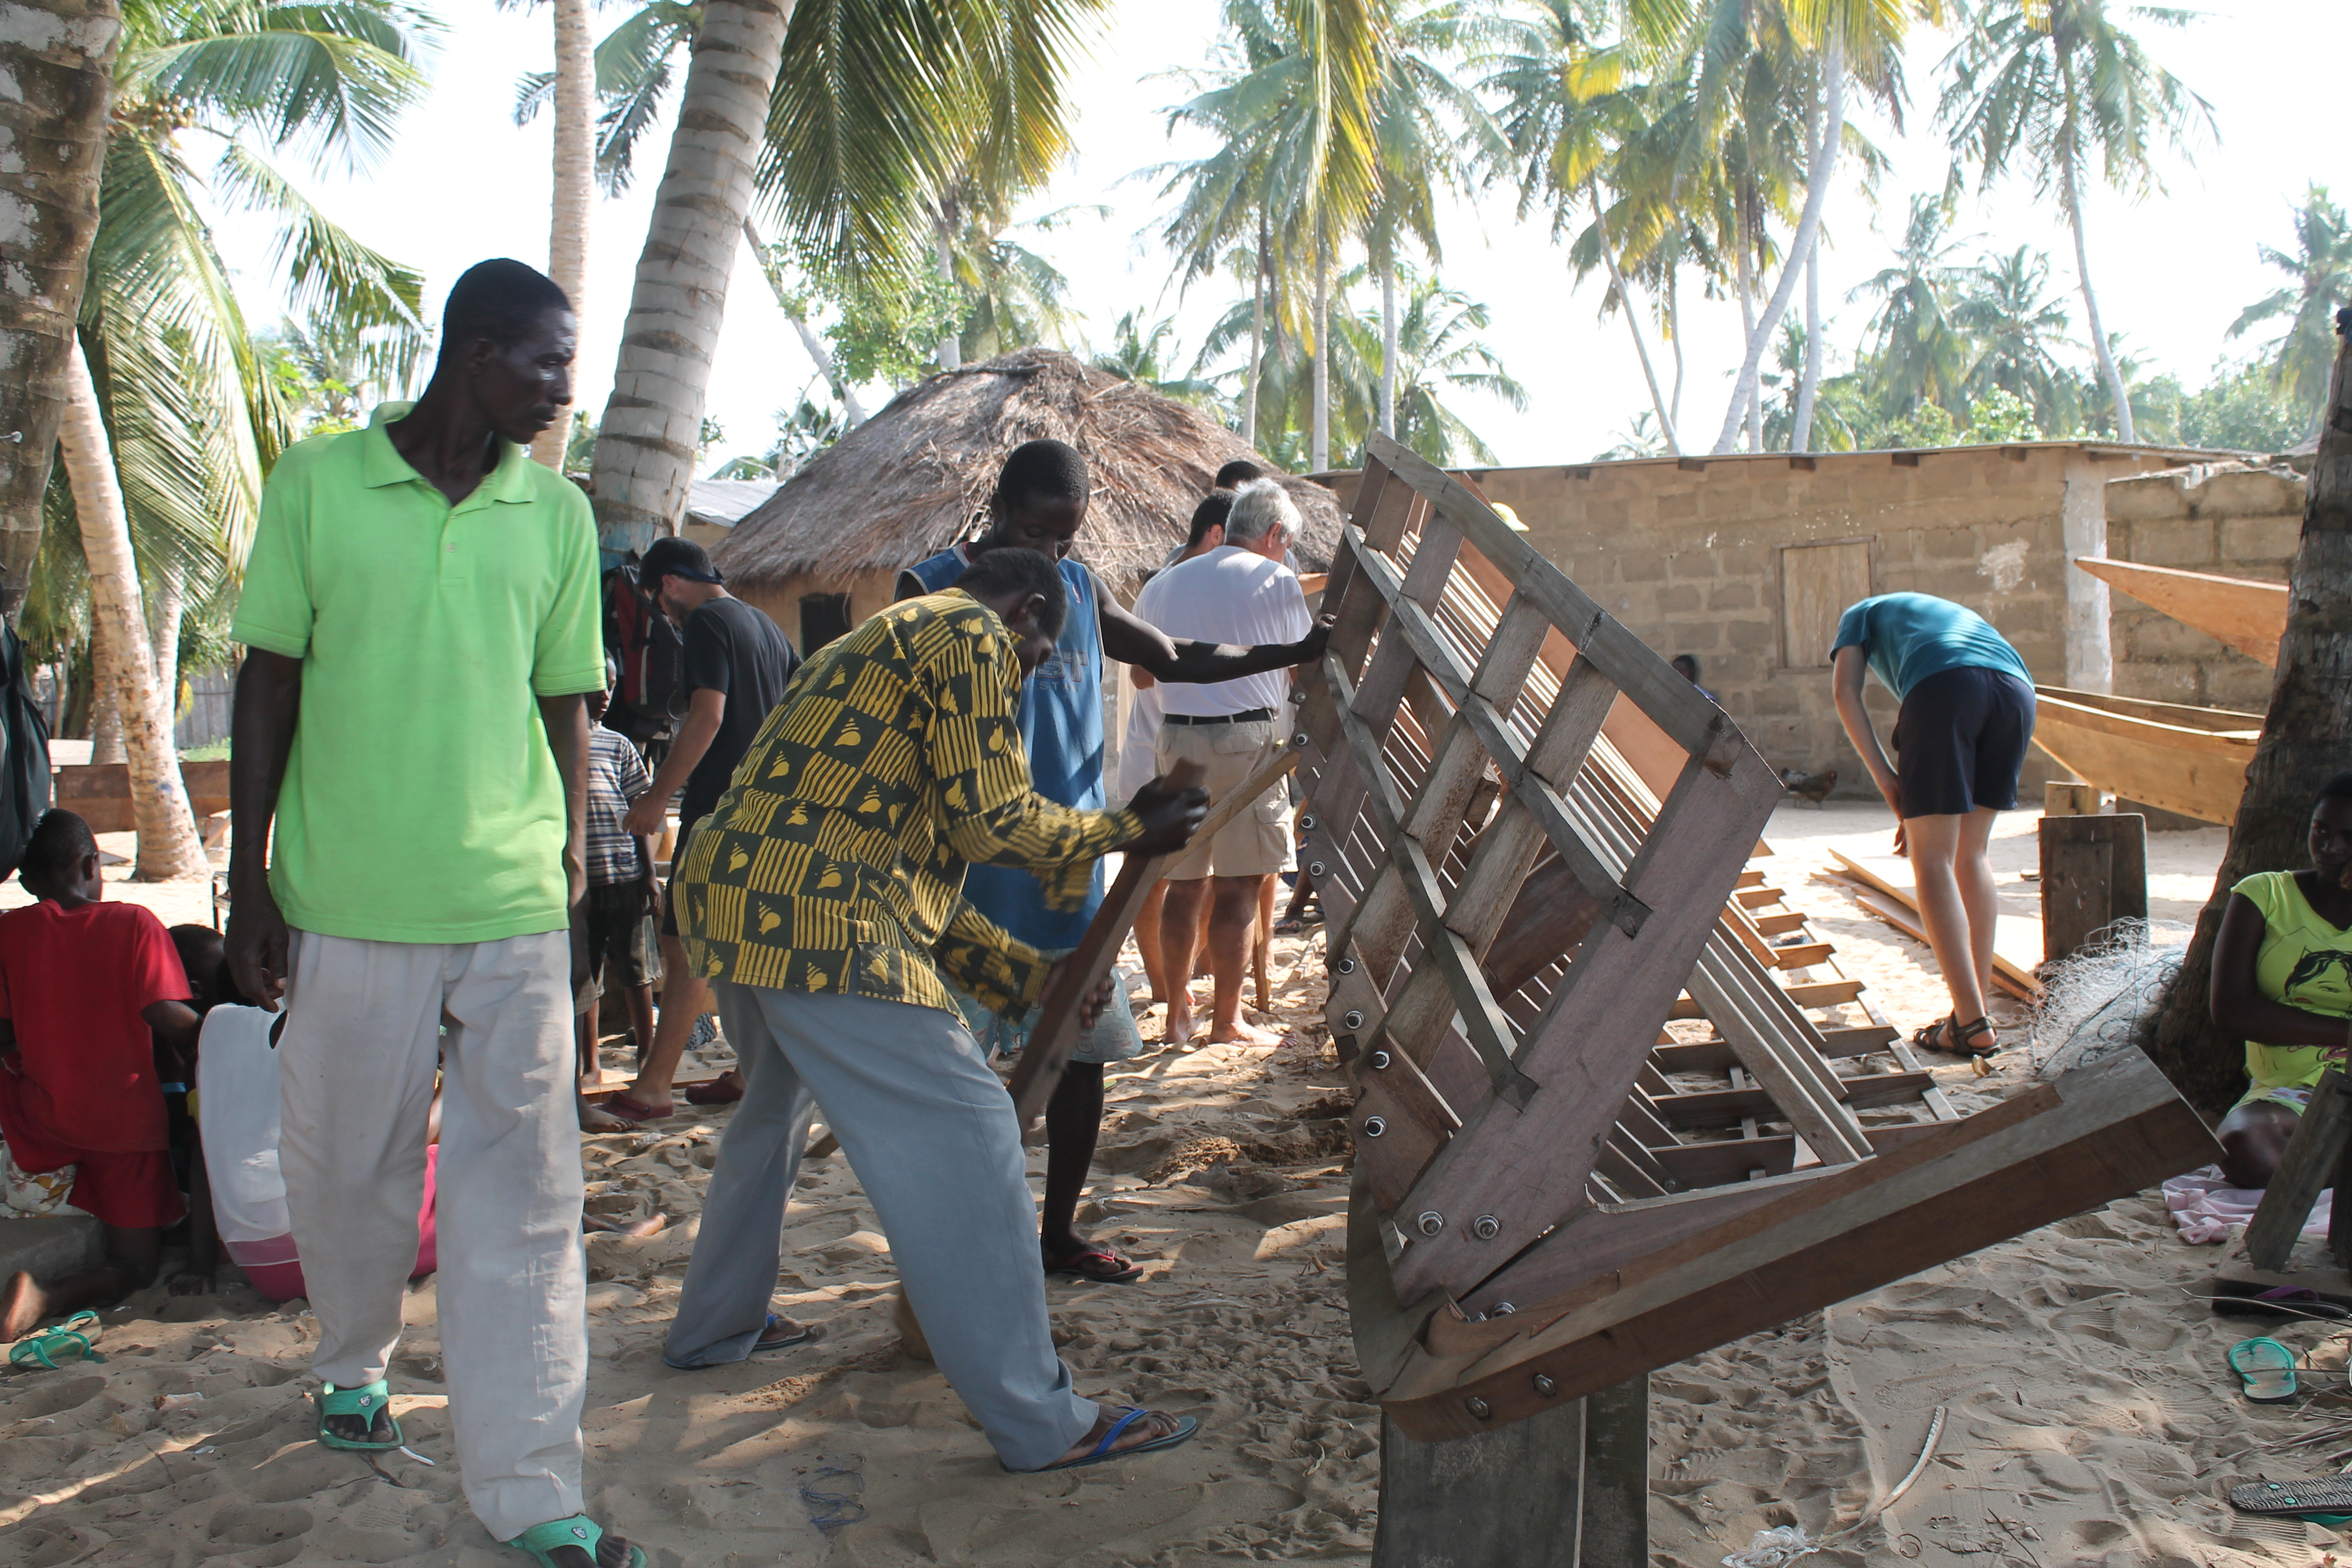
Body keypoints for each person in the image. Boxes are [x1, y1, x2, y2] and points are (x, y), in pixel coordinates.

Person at [224, 258, 634, 1568]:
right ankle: (353, 1355)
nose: (565, 391)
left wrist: (568, 858)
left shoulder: (555, 514)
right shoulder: (319, 484)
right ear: (475, 349)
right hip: (348, 894)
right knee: (347, 1170)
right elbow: (268, 683)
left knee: (525, 1194)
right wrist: (250, 873)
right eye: (547, 363)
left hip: (510, 897)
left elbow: (567, 695)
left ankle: (531, 1483)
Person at [665, 547, 1210, 1473]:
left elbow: (909, 863)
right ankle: (1043, 1420)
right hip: (815, 917)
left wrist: (1021, 977)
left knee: (768, 1119)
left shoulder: (876, 639)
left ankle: (716, 1326)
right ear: (1028, 610)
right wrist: (1127, 827)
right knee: (971, 1130)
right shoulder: (967, 631)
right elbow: (989, 822)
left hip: (733, 898)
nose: (1028, 673)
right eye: (1039, 654)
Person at [894, 441, 1326, 1284]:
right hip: (963, 877)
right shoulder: (934, 586)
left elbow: (1177, 658)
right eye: (1033, 531)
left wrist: (1288, 655)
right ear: (998, 510)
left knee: (1079, 1057)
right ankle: (955, 1252)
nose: (1049, 554)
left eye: (1065, 537)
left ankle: (1057, 1235)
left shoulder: (1082, 591)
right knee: (953, 1074)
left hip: (1067, 877)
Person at [609, 536, 800, 1121]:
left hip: (719, 810)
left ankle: (654, 1087)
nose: (667, 616)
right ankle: (749, 1073)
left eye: (661, 605)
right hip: (771, 812)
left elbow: (708, 714)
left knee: (683, 945)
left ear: (667, 584)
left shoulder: (708, 622)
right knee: (750, 947)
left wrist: (655, 798)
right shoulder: (767, 626)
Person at [0, 811, 201, 1339]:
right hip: (123, 1128)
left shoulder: (10, 931)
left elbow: (4, 1032)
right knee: (135, 1267)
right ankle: (46, 1297)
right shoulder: (133, 922)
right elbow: (167, 1017)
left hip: (37, 1124)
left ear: (26, 881)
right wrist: (232, 1032)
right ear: (93, 863)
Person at [1134, 480, 1314, 1047]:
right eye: (1286, 544)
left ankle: (1175, 1016)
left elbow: (1141, 676)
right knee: (1239, 887)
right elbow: (1301, 666)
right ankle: (1226, 1020)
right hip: (1247, 741)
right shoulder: (1275, 579)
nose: (1285, 555)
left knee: (1183, 886)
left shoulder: (1165, 582)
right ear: (1275, 533)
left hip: (1175, 740)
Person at [1830, 591, 2036, 1058]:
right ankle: (1972, 1014)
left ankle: (1971, 1020)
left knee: (1932, 859)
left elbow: (1845, 692)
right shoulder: (1945, 614)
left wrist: (1888, 782)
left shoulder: (1857, 614)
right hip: (2017, 691)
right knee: (1971, 854)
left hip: (1946, 687)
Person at [2207, 775, 2352, 1188]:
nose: (2331, 849)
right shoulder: (2264, 896)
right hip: (2287, 1092)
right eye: (2321, 831)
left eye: (2349, 837)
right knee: (2243, 1146)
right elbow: (2232, 1010)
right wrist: (2347, 1032)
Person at [1126, 491, 1238, 1019]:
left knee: (1201, 877)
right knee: (1153, 875)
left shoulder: (1222, 587)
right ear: (1216, 534)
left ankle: (1180, 981)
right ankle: (1163, 988)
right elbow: (1140, 672)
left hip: (1191, 746)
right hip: (1158, 743)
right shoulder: (1164, 587)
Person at [580, 663, 659, 1119]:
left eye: (611, 685)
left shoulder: (619, 744)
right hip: (580, 883)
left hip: (624, 873)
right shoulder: (558, 744)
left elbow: (642, 809)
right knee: (586, 977)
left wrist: (649, 874)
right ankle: (590, 1063)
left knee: (637, 969)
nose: (606, 694)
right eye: (597, 686)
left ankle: (646, 1054)